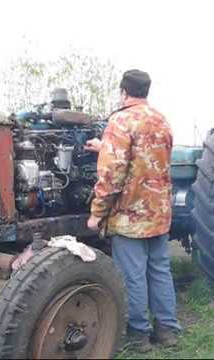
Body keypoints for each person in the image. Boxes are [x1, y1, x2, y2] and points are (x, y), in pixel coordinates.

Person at [86, 69, 181, 352]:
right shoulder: (161, 120)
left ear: (123, 91)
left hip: (130, 216)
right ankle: (167, 330)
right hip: (159, 212)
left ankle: (139, 335)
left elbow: (112, 174)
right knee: (160, 269)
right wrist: (105, 147)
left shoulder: (121, 120)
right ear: (146, 91)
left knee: (133, 274)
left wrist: (97, 212)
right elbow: (147, 157)